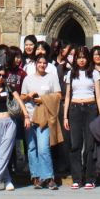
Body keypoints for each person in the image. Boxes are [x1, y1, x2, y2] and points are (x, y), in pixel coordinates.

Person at [0, 66, 30, 192]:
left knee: (6, 150)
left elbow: (19, 101)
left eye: (4, 76)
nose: (1, 78)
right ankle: (7, 179)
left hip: (10, 122)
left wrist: (26, 115)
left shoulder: (9, 88)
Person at [64, 46, 100, 189]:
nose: (81, 60)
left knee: (90, 145)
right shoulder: (70, 74)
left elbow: (98, 95)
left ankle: (90, 178)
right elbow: (68, 96)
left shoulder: (93, 73)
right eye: (79, 57)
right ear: (75, 59)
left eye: (84, 57)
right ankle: (77, 178)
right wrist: (65, 117)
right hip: (74, 109)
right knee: (75, 145)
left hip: (90, 108)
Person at [21, 54, 60, 189]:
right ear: (36, 64)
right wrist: (29, 96)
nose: (42, 65)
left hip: (44, 117)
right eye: (40, 62)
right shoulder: (28, 79)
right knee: (32, 148)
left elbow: (58, 95)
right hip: (30, 117)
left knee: (43, 148)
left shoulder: (52, 78)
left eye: (44, 63)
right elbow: (22, 98)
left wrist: (43, 98)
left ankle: (48, 176)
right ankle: (36, 176)